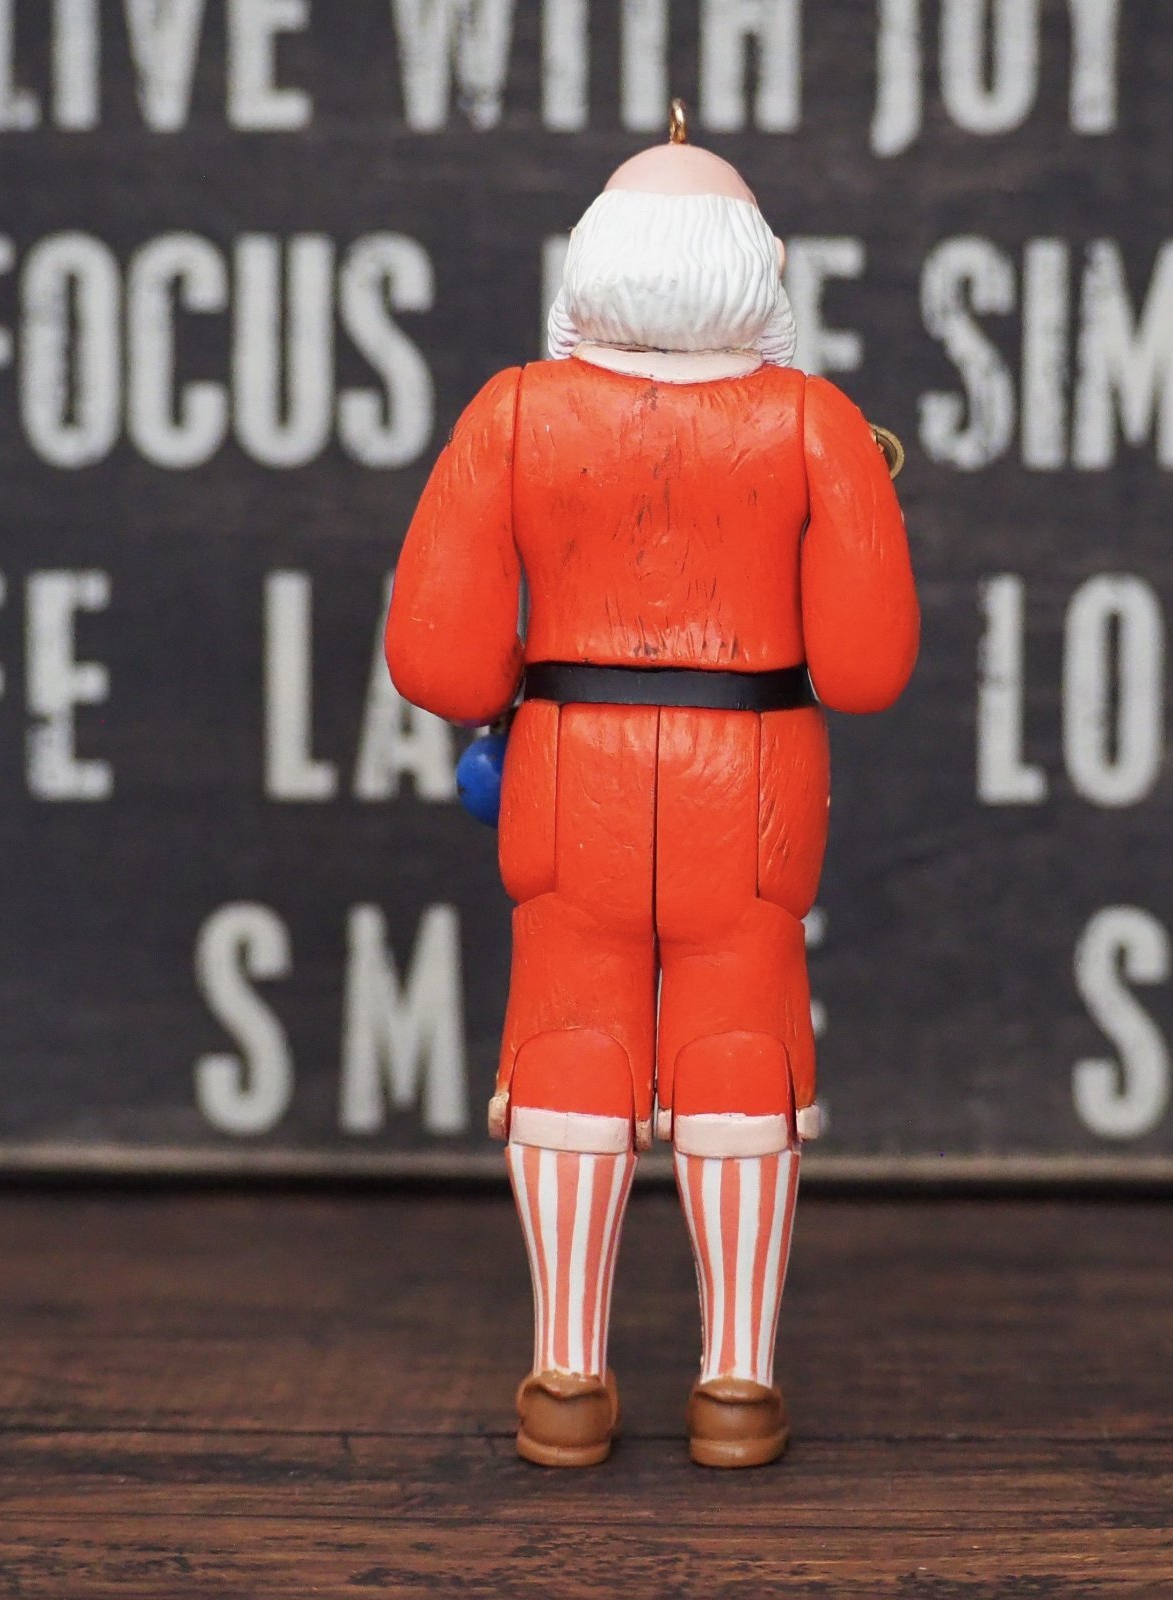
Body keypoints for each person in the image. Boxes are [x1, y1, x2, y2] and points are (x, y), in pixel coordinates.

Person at [386, 117, 920, 1469]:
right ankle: (736, 1386)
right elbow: (866, 669)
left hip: (575, 776)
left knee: (570, 1038)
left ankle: (566, 1380)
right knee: (742, 1043)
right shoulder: (815, 423)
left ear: (593, 265)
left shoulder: (514, 413)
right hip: (752, 783)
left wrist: (528, 677)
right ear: (758, 268)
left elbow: (438, 658)